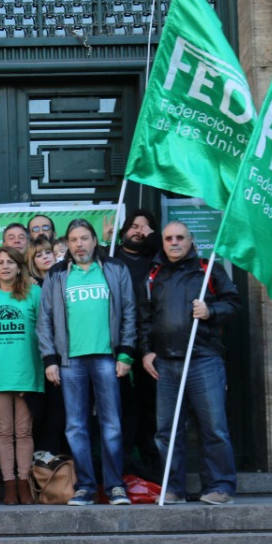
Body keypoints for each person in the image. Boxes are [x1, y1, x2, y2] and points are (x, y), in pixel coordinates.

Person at [139, 221, 242, 505]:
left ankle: (220, 487)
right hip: (167, 364)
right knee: (167, 431)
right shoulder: (153, 274)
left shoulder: (208, 269)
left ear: (191, 240)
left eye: (180, 238)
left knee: (214, 428)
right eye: (169, 238)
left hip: (203, 360)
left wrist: (211, 310)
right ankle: (173, 488)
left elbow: (234, 304)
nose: (174, 242)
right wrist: (147, 351)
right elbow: (145, 318)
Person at [37, 218, 136, 507]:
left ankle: (116, 486)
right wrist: (50, 359)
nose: (79, 244)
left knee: (112, 425)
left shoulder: (115, 269)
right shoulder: (57, 274)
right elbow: (44, 321)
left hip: (107, 357)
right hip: (70, 362)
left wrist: (126, 353)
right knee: (76, 426)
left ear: (94, 240)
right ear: (67, 244)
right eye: (73, 239)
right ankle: (86, 487)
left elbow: (129, 311)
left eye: (84, 238)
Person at [0, 246, 45, 505]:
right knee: (4, 432)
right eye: (0, 262)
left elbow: (46, 330)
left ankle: (24, 483)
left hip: (27, 373)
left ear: (20, 267)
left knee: (24, 432)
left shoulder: (34, 293)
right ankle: (9, 485)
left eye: (10, 262)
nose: (5, 266)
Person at [113, 208, 163, 476]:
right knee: (121, 410)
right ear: (123, 231)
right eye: (134, 226)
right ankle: (122, 469)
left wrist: (153, 237)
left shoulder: (157, 260)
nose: (139, 231)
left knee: (150, 411)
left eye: (145, 228)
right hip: (115, 345)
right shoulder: (109, 257)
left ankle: (153, 471)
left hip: (150, 346)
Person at [24, 235, 66, 456]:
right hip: (39, 357)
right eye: (38, 255)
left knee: (63, 412)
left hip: (64, 355)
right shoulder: (30, 286)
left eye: (47, 252)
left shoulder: (64, 277)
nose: (44, 257)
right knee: (47, 412)